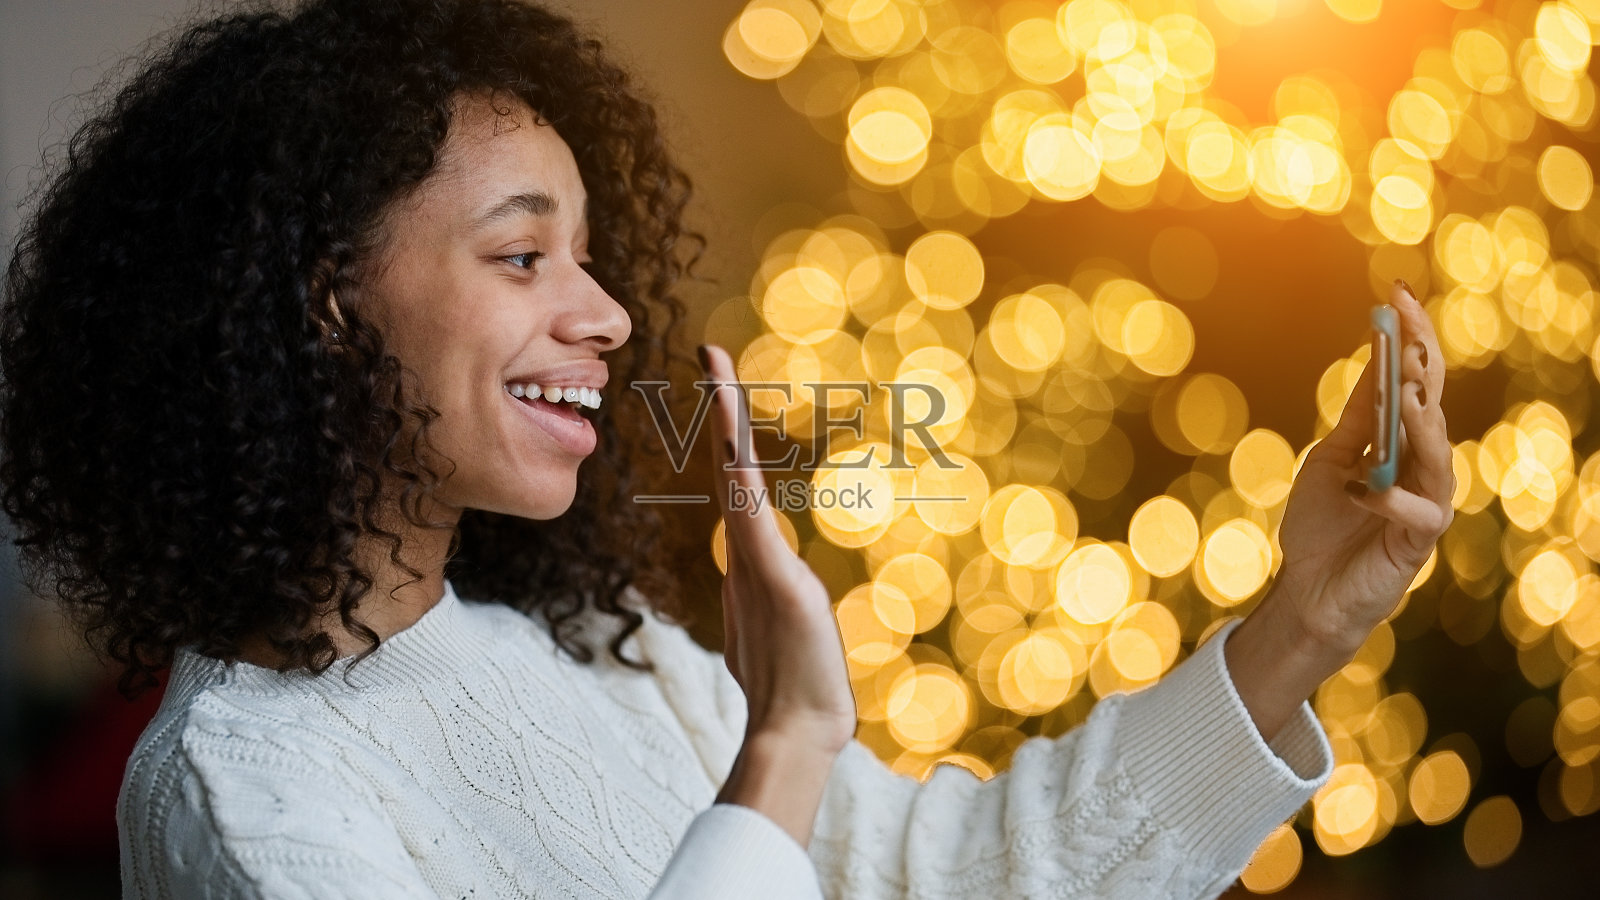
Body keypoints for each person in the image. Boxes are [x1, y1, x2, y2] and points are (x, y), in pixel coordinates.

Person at [0, 0, 1456, 897]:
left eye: (593, 254)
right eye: (522, 258)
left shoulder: (600, 651)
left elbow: (972, 883)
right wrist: (783, 753)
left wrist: (1309, 619)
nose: (611, 314)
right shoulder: (238, 793)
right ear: (322, 302)